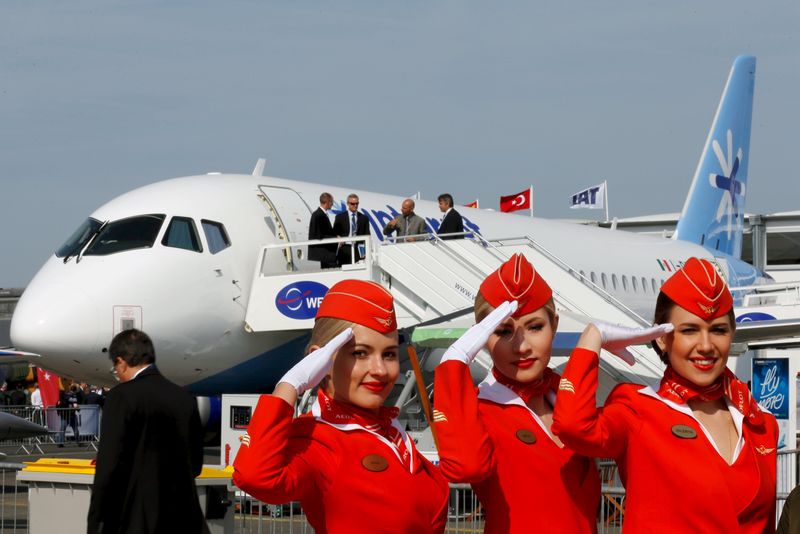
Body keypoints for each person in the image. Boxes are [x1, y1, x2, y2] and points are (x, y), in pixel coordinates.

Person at [552, 257, 778, 533]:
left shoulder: (760, 422)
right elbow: (571, 426)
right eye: (689, 330)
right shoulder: (638, 409)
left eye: (718, 330)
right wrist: (592, 338)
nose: (706, 345)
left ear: (732, 334)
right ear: (661, 337)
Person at [234, 279, 449, 533]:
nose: (380, 370)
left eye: (389, 354)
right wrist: (289, 385)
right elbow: (255, 477)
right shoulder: (317, 439)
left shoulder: (391, 433)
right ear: (319, 360)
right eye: (360, 353)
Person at [433, 254, 600, 533]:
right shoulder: (478, 410)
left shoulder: (568, 397)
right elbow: (466, 467)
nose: (521, 347)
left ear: (555, 325)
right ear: (481, 337)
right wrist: (454, 363)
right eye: (503, 331)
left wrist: (591, 345)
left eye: (535, 327)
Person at [87, 329, 207, 534]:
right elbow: (195, 464)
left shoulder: (121, 397)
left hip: (135, 517)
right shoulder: (184, 398)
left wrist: (96, 521)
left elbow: (109, 467)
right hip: (184, 518)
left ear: (121, 362)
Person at [333, 193, 370, 265]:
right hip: (345, 248)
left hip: (358, 249)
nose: (355, 205)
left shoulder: (364, 218)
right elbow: (334, 232)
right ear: (348, 204)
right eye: (353, 203)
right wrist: (338, 237)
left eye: (357, 203)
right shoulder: (340, 217)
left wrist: (367, 251)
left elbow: (367, 235)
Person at [308, 192, 338, 268]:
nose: (332, 204)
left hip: (327, 253)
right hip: (325, 253)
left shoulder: (321, 214)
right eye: (332, 202)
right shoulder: (318, 215)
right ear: (327, 202)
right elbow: (318, 235)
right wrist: (335, 239)